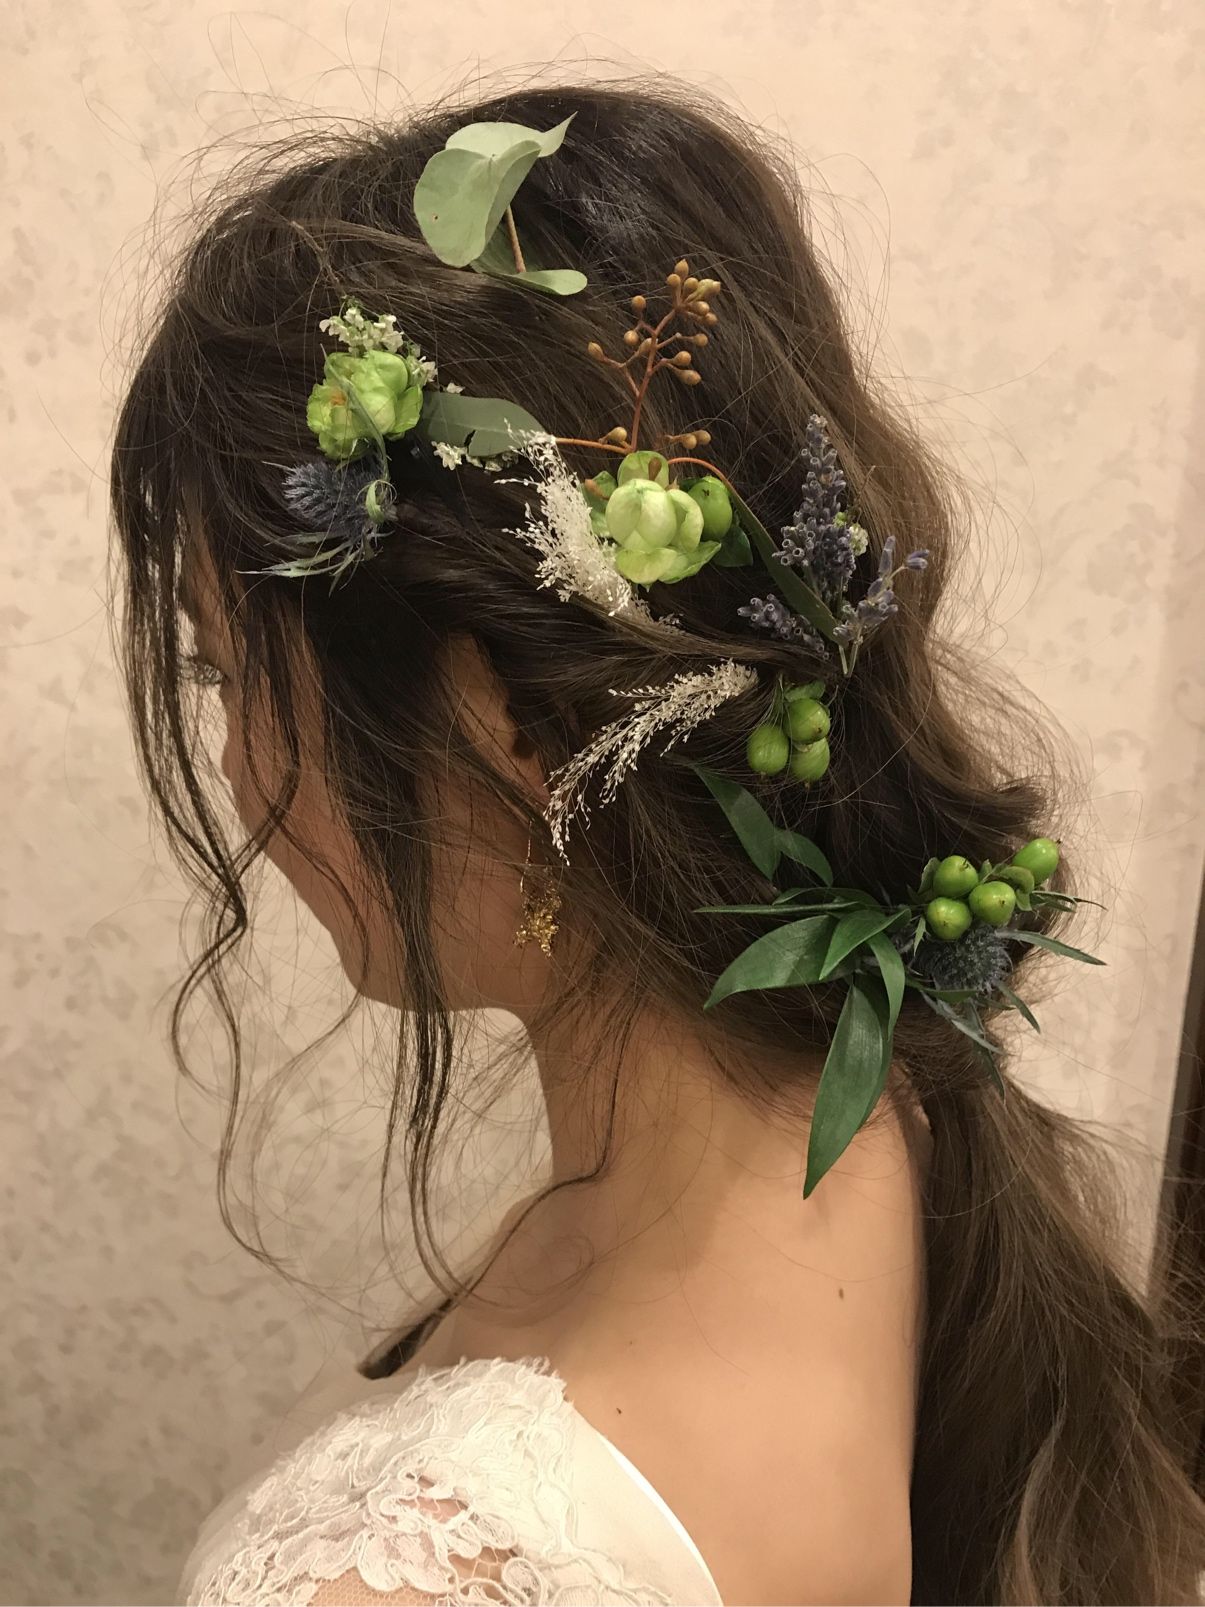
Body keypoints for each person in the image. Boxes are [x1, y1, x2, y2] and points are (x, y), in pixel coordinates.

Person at [108, 76, 1204, 1606]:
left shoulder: (425, 1576)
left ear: (499, 710)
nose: (232, 769)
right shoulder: (869, 1120)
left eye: (230, 673)